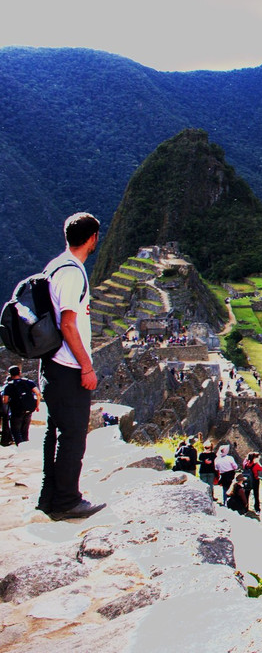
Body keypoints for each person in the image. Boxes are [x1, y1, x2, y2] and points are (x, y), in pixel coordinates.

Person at [37, 212, 105, 520]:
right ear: (92, 238)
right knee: (73, 435)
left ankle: (49, 497)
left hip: (53, 364)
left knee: (56, 432)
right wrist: (86, 367)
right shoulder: (72, 273)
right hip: (67, 366)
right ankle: (67, 501)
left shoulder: (55, 266)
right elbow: (68, 324)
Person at [2, 365, 40, 445]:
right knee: (25, 431)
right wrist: (37, 405)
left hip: (16, 411)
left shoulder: (9, 386)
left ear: (10, 374)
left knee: (16, 431)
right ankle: (26, 447)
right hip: (29, 410)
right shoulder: (29, 382)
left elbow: (5, 401)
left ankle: (21, 448)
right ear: (20, 372)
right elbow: (38, 393)